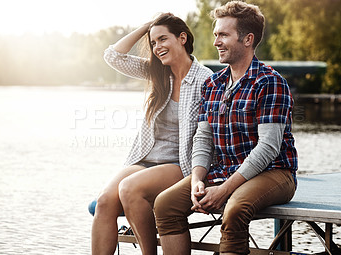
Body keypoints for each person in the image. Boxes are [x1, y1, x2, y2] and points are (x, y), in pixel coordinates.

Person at [154, 2, 298, 255]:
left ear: (247, 39)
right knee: (165, 205)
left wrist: (224, 189)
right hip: (225, 169)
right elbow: (203, 138)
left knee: (234, 210)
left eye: (223, 35)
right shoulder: (213, 84)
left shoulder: (270, 82)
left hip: (274, 173)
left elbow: (268, 148)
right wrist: (198, 179)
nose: (216, 42)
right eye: (215, 35)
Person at [91, 13, 213, 255]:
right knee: (104, 202)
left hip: (181, 163)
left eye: (162, 39)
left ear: (182, 38)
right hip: (145, 158)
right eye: (153, 42)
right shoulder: (157, 72)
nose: (157, 47)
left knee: (129, 188)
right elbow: (113, 56)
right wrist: (146, 27)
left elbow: (207, 135)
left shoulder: (206, 79)